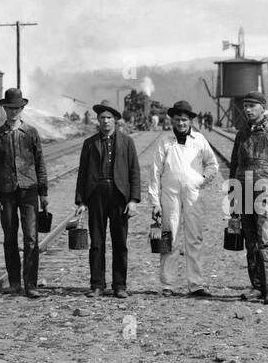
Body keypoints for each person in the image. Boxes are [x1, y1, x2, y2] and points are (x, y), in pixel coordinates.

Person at [146, 99, 220, 298]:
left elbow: (212, 165)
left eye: (185, 120)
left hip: (193, 195)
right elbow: (155, 173)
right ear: (172, 120)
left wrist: (201, 181)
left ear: (191, 121)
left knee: (194, 238)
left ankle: (196, 284)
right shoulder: (165, 141)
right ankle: (168, 284)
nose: (181, 123)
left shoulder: (199, 140)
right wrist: (155, 202)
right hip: (169, 195)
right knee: (169, 237)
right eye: (178, 119)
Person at [228, 92, 268, 305]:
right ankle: (256, 286)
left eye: (252, 106)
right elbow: (234, 166)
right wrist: (233, 197)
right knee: (250, 241)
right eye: (245, 105)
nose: (247, 109)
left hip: (265, 191)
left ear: (262, 108)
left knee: (265, 240)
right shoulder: (241, 134)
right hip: (244, 190)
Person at [0, 88, 48, 299]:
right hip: (6, 192)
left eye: (17, 108)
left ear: (22, 109)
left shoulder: (30, 133)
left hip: (29, 190)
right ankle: (14, 282)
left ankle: (30, 284)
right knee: (10, 237)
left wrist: (44, 193)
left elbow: (40, 163)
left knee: (31, 238)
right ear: (4, 108)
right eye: (9, 108)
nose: (13, 112)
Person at [74, 103, 141, 298]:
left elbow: (134, 171)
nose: (105, 121)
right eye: (102, 118)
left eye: (109, 118)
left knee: (120, 242)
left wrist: (134, 199)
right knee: (97, 242)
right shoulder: (90, 143)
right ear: (98, 120)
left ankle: (119, 285)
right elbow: (83, 174)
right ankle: (97, 284)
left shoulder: (127, 142)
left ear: (115, 120)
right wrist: (81, 201)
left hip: (119, 196)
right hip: (96, 195)